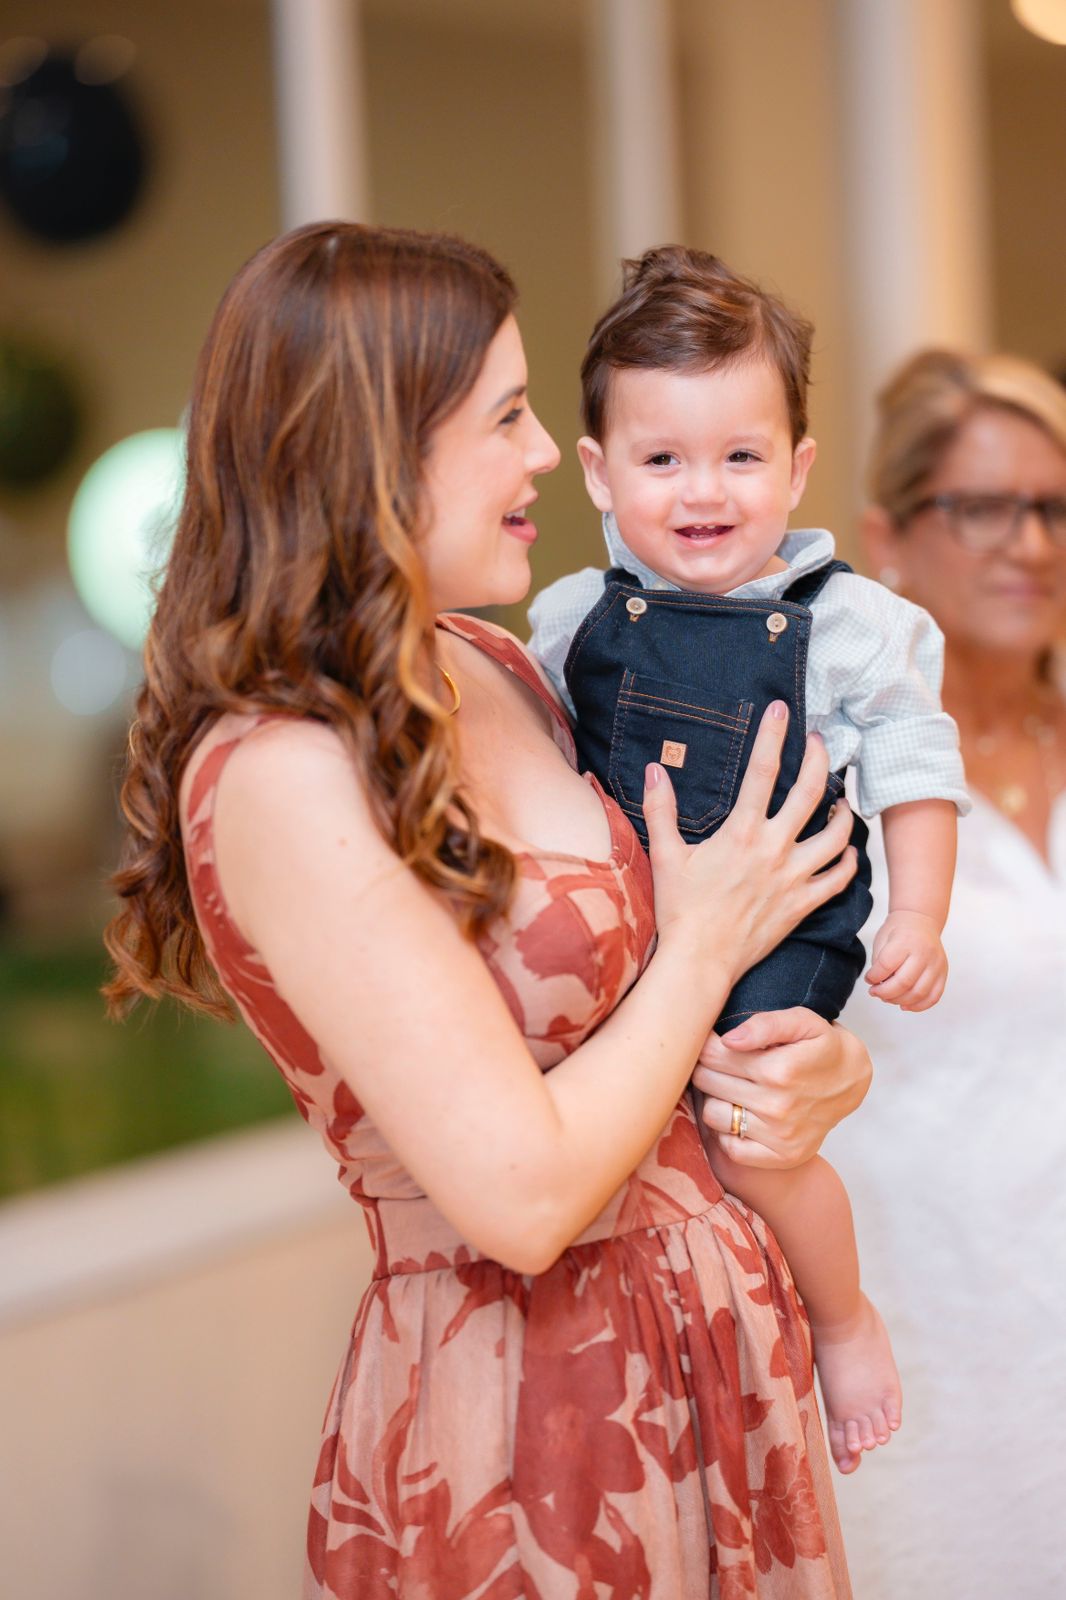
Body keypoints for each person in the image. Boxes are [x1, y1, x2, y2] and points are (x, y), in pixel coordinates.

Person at [103, 223, 873, 1599]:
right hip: (534, 1409)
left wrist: (814, 1072)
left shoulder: (495, 664)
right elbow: (520, 1198)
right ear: (379, 448)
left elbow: (656, 1015)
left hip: (716, 1342)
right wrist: (707, 945)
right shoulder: (280, 770)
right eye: (506, 417)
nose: (542, 458)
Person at [528, 247, 969, 1474]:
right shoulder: (568, 617)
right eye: (662, 460)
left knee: (749, 1140)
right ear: (599, 473)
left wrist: (917, 917)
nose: (703, 491)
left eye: (740, 456)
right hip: (636, 926)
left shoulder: (850, 623)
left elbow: (916, 769)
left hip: (782, 931)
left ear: (797, 467)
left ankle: (843, 1317)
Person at [827, 347, 1066, 1598]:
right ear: (890, 540)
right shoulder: (837, 786)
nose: (1029, 542)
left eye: (1054, 506)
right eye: (980, 507)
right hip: (927, 1367)